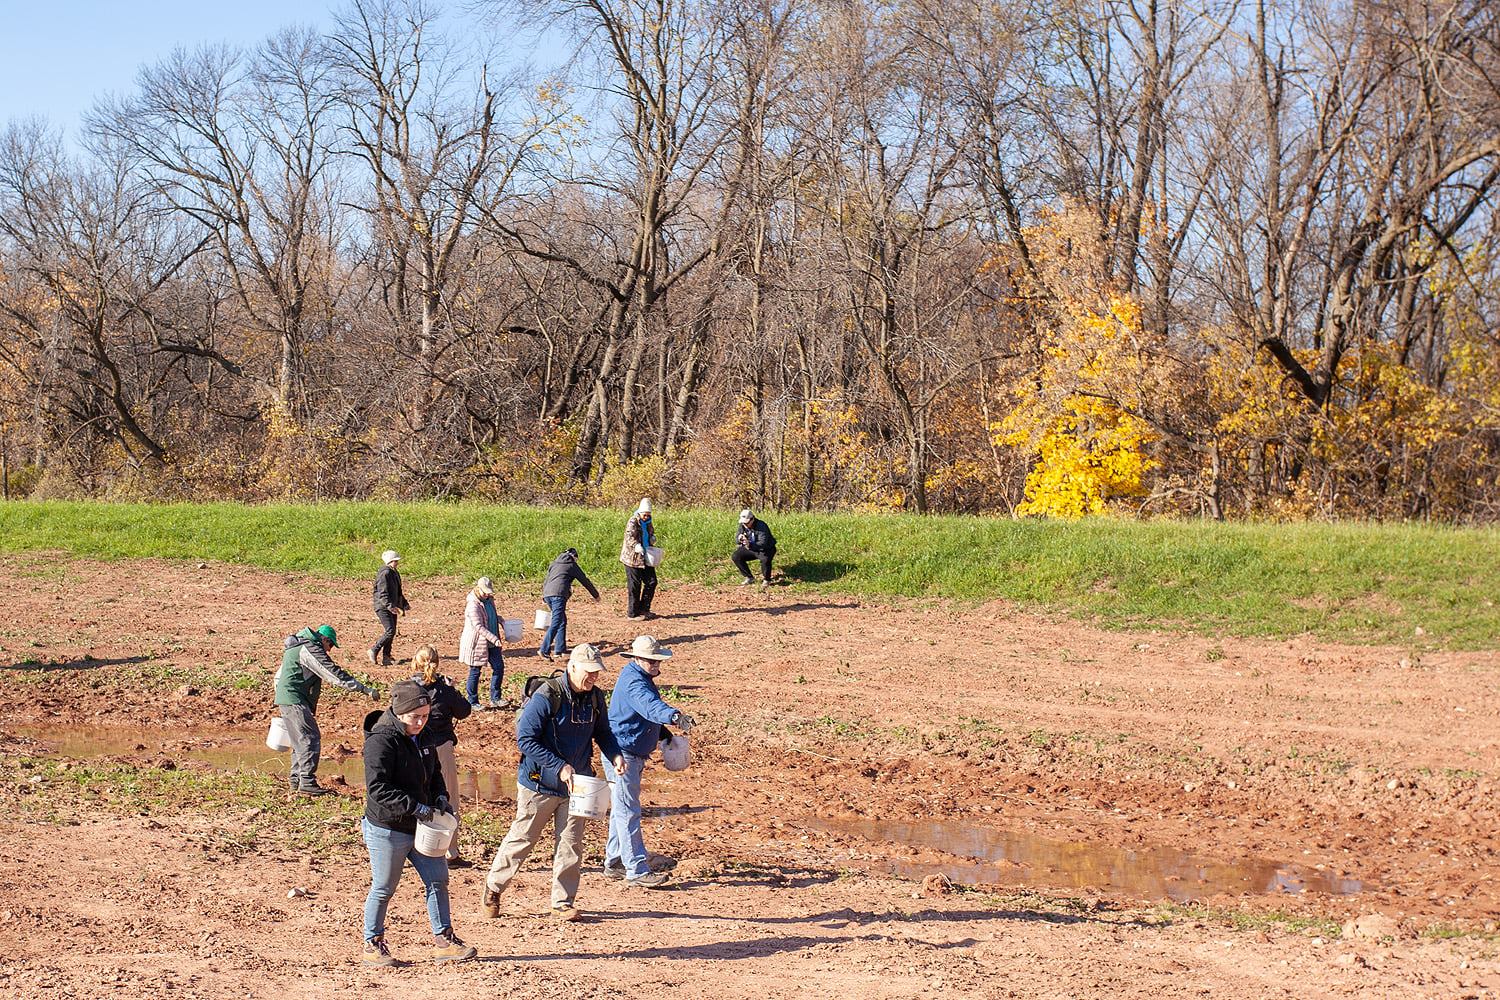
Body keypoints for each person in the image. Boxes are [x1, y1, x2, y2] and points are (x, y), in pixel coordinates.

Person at [482, 643, 624, 923]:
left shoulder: (595, 698)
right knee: (523, 839)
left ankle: (562, 902)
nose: (594, 677)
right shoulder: (547, 695)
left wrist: (615, 754)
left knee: (571, 844)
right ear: (572, 667)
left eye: (597, 672)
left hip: (578, 786)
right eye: (589, 672)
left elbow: (603, 732)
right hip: (539, 784)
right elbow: (525, 739)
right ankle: (494, 888)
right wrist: (559, 766)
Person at [360, 679, 477, 967]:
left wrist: (439, 797)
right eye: (416, 717)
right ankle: (372, 943)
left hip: (422, 826)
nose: (421, 722)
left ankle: (444, 940)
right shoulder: (380, 741)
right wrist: (416, 807)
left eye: (425, 716)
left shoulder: (424, 735)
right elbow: (378, 789)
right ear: (400, 713)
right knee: (384, 886)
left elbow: (435, 772)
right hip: (388, 828)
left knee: (438, 879)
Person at [602, 635, 698, 888]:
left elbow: (641, 713)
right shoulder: (635, 683)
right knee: (628, 811)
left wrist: (662, 733)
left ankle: (615, 862)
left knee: (621, 809)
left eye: (657, 661)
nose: (656, 666)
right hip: (623, 754)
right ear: (636, 658)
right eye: (651, 661)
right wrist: (674, 716)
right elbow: (649, 706)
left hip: (624, 750)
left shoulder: (638, 676)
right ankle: (636, 869)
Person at [273, 624, 379, 797]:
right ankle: (307, 782)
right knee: (310, 738)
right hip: (294, 699)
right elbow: (332, 672)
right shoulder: (310, 648)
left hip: (288, 698)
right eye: (330, 645)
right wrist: (363, 689)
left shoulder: (298, 645)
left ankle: (296, 780)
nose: (329, 650)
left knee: (300, 741)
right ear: (324, 639)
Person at [411, 645, 473, 865]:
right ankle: (450, 852)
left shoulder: (408, 688)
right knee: (448, 798)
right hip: (440, 747)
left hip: (413, 747)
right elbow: (465, 710)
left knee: (415, 793)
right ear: (437, 663)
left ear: (415, 662)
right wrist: (453, 689)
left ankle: (414, 848)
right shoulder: (444, 690)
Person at [538, 547, 600, 661]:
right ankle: (544, 650)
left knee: (561, 620)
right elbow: (584, 580)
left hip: (548, 594)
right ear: (574, 557)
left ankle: (560, 649)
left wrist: (544, 595)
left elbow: (547, 579)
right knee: (556, 622)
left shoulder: (554, 563)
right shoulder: (571, 565)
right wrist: (596, 595)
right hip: (558, 595)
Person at [459, 577, 509, 710]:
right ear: (478, 588)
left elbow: (489, 616)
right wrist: (494, 639)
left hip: (492, 641)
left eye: (489, 592)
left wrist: (499, 619)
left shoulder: (489, 600)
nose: (487, 594)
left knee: (499, 667)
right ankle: (472, 701)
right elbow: (478, 626)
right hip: (478, 643)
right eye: (485, 592)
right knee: (475, 671)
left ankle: (496, 698)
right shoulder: (473, 605)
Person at [619, 497, 658, 620]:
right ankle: (632, 613)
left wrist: (652, 538)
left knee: (652, 582)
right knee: (634, 585)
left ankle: (644, 609)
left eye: (648, 515)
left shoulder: (648, 522)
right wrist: (636, 545)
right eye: (645, 515)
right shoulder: (633, 521)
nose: (646, 517)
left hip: (646, 556)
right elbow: (629, 536)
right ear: (640, 513)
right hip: (632, 558)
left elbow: (650, 533)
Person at [369, 550, 410, 666]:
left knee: (391, 632)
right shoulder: (385, 573)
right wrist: (391, 607)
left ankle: (386, 657)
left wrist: (404, 603)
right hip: (383, 607)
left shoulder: (394, 572)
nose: (397, 563)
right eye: (395, 561)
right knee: (390, 630)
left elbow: (398, 591)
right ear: (390, 561)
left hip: (391, 606)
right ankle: (374, 650)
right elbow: (382, 594)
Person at [731, 508, 777, 589]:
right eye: (743, 522)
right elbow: (737, 539)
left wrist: (750, 544)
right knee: (736, 556)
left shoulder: (762, 526)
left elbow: (762, 543)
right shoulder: (743, 525)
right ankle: (749, 577)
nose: (745, 524)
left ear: (752, 519)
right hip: (751, 548)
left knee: (765, 560)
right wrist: (740, 539)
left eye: (747, 522)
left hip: (766, 549)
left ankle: (767, 579)